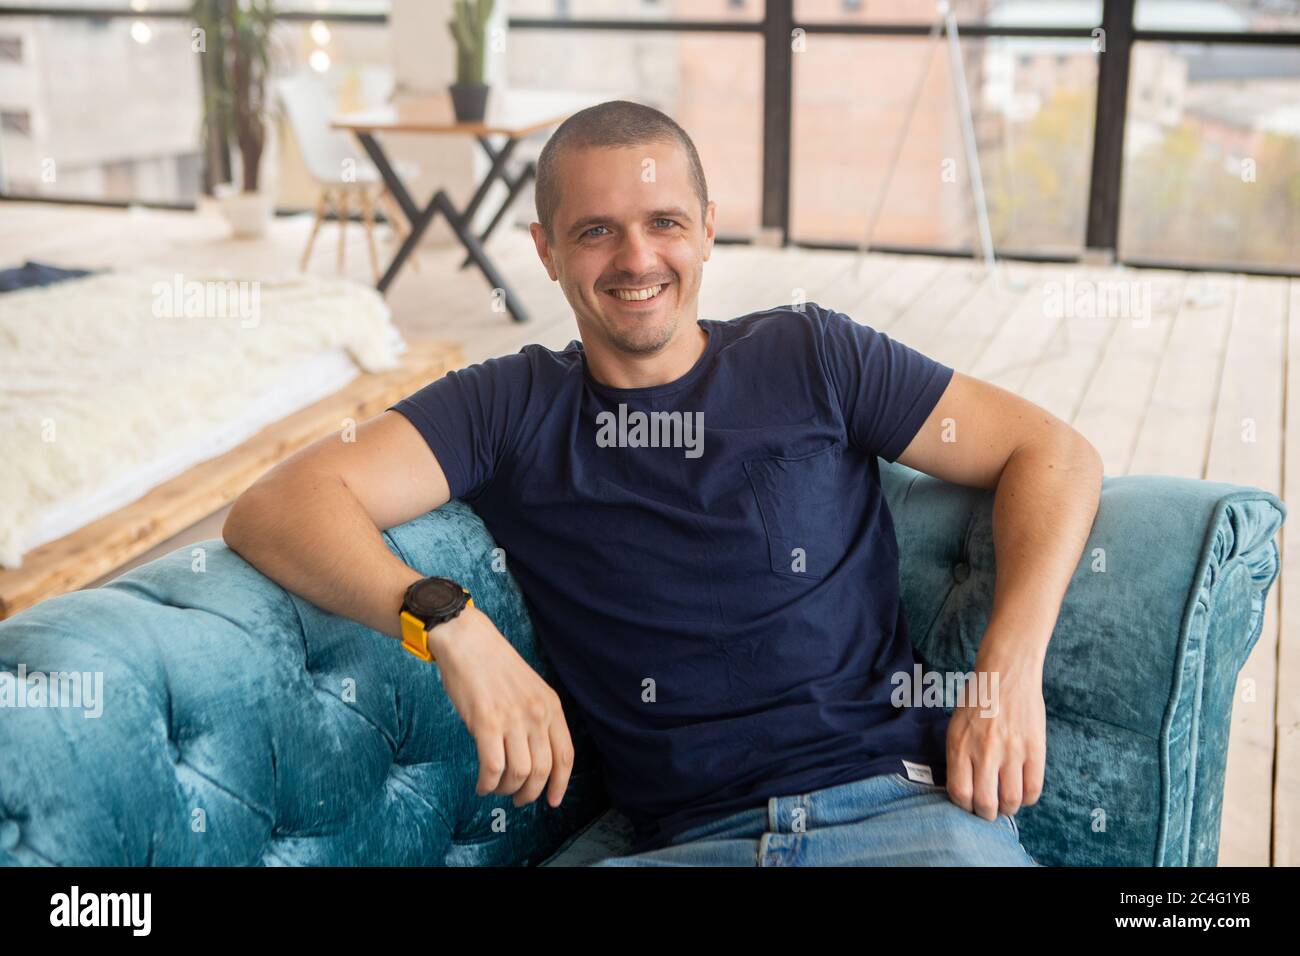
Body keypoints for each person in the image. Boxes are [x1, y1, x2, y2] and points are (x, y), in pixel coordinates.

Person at [222, 100, 1103, 867]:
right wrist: (449, 624)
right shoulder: (509, 404)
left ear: (709, 228)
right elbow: (276, 506)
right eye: (596, 230)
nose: (636, 258)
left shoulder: (813, 356)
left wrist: (1005, 672)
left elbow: (1054, 454)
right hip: (685, 844)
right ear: (546, 251)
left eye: (665, 223)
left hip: (898, 818)